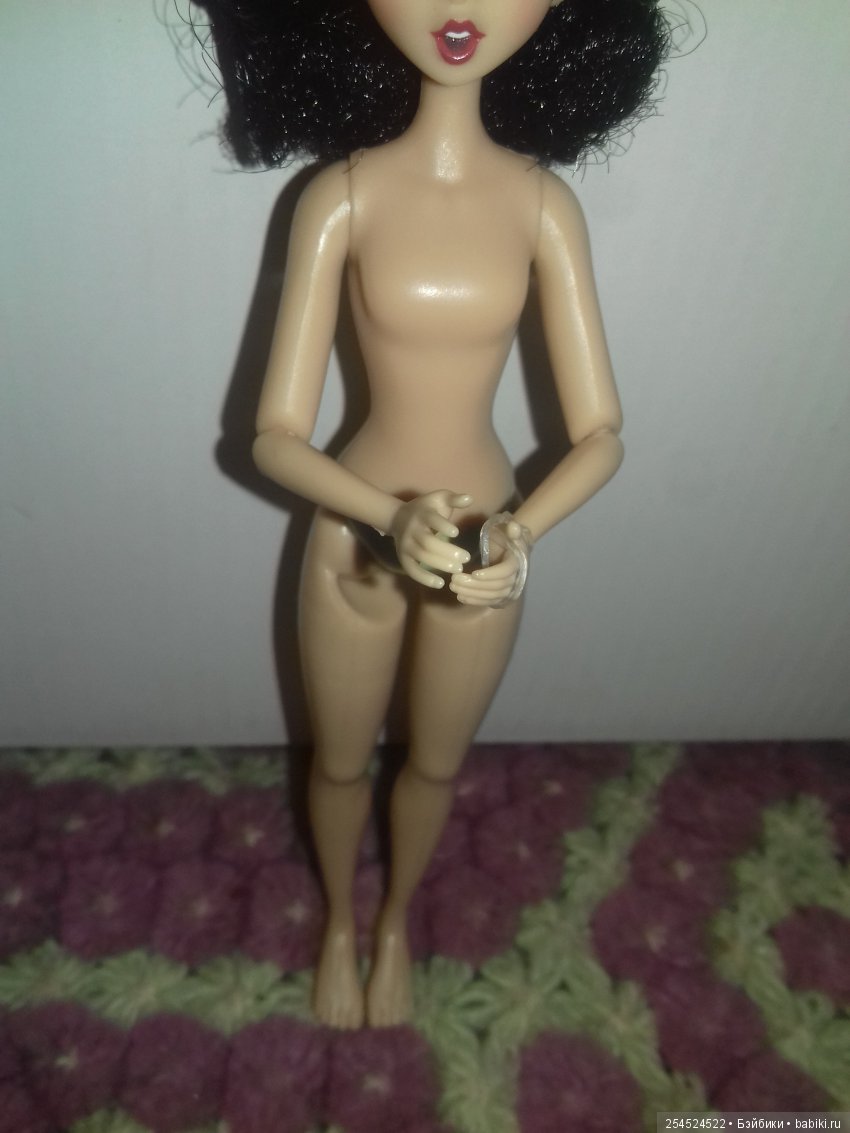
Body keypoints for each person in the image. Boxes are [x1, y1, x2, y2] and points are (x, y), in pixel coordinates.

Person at [193, 0, 670, 1027]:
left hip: (484, 546)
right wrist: (384, 517)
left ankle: (397, 922)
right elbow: (274, 433)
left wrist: (520, 531)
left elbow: (601, 431)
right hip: (354, 541)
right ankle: (337, 924)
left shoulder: (541, 205)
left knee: (437, 762)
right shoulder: (342, 196)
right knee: (337, 759)